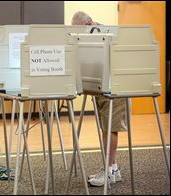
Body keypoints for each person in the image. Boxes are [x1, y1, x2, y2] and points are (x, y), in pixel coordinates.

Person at [72, 11, 127, 187]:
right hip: (103, 88)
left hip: (113, 88)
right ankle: (114, 169)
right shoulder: (97, 33)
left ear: (87, 24)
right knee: (107, 128)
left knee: (110, 128)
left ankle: (109, 170)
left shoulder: (104, 34)